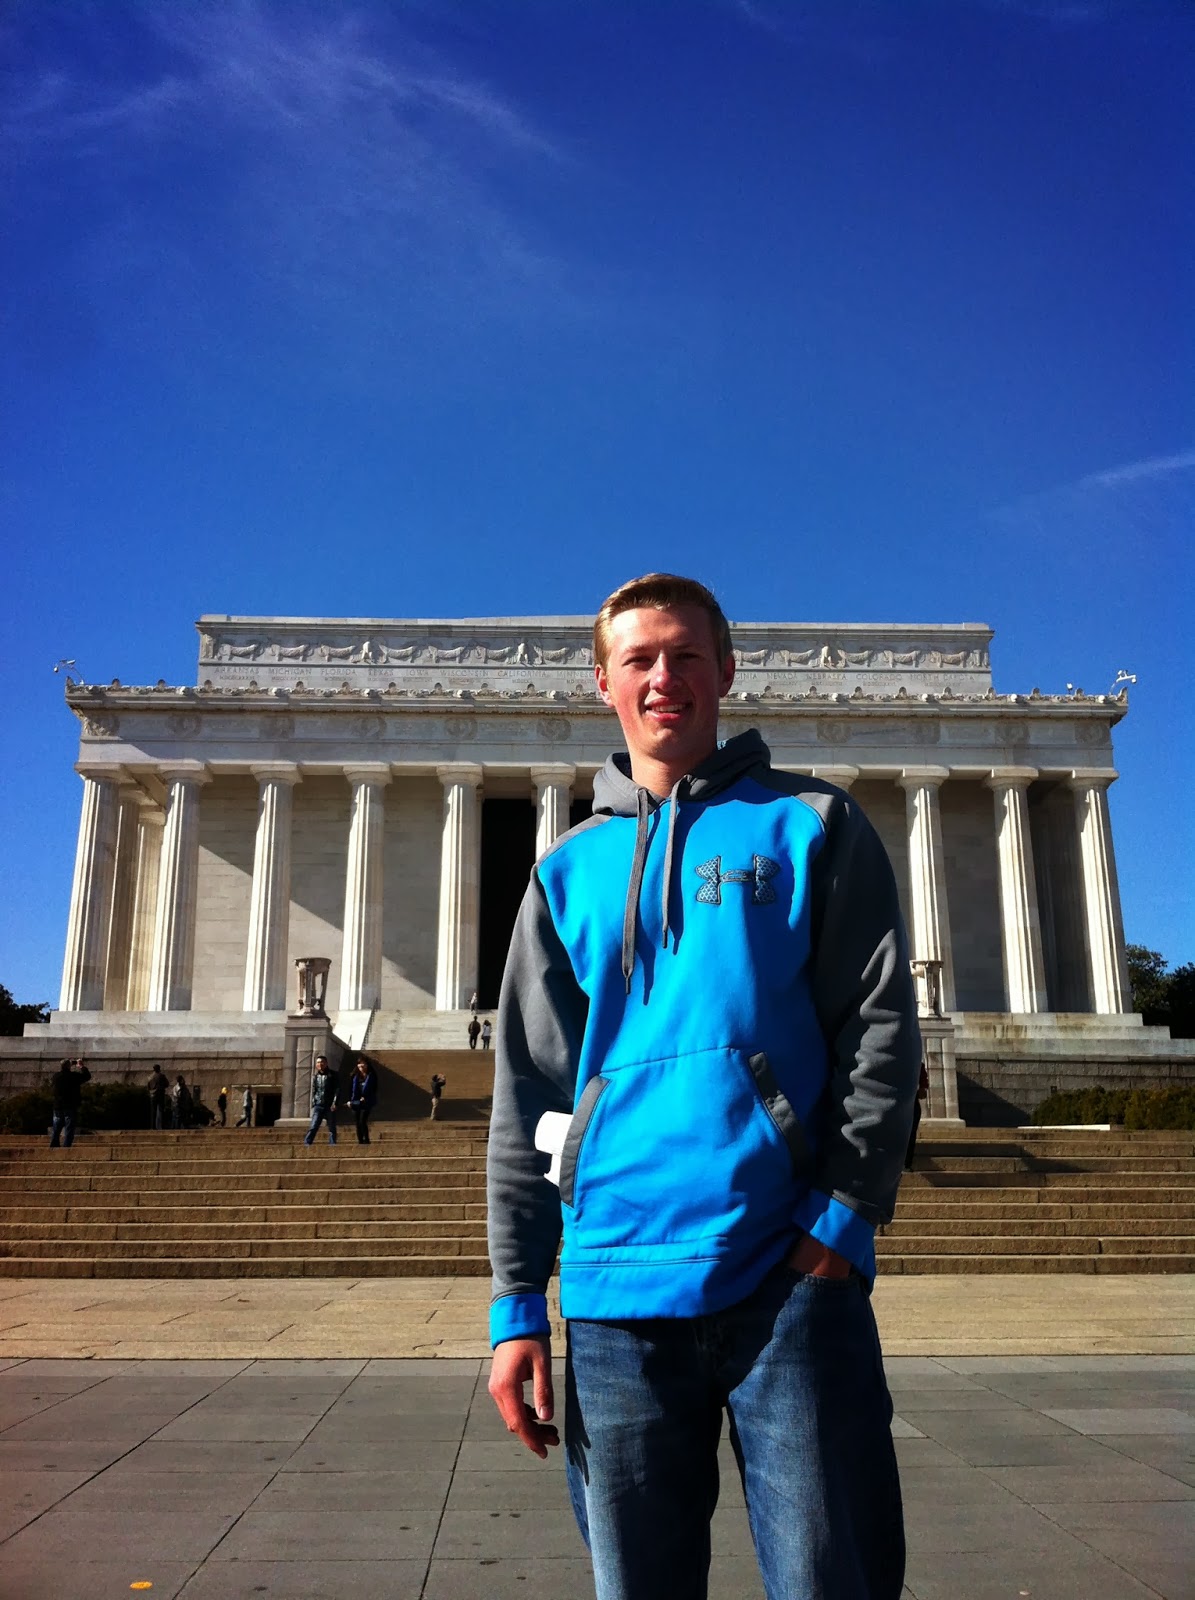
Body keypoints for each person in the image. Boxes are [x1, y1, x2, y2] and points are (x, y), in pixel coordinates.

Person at [486, 573, 921, 1600]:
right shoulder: (566, 868)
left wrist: (839, 1222)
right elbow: (529, 1091)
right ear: (602, 683)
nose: (663, 678)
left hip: (787, 1275)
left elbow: (878, 1028)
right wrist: (516, 1302)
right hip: (614, 1287)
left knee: (832, 1581)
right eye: (638, 659)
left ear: (725, 671)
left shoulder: (811, 823)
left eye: (686, 655)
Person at [49, 1058, 90, 1148]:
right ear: (69, 1066)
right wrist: (81, 1066)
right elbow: (87, 1076)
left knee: (56, 1127)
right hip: (70, 1105)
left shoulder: (56, 1076)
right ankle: (66, 1146)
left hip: (58, 1105)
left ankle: (54, 1144)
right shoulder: (73, 1076)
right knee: (69, 1127)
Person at [304, 1054, 339, 1145]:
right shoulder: (315, 1076)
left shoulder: (333, 1075)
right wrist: (314, 1101)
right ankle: (307, 1143)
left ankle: (332, 1144)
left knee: (331, 1127)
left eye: (322, 1062)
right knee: (314, 1125)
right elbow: (314, 1090)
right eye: (318, 1062)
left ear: (326, 1063)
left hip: (329, 1104)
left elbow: (337, 1090)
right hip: (319, 1104)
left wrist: (335, 1102)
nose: (320, 1064)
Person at [905, 1061, 930, 1170]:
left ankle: (907, 1164)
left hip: (911, 1102)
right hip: (897, 1102)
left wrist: (922, 1088)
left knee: (911, 1133)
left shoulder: (918, 1065)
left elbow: (923, 1092)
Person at [348, 1056, 377, 1144]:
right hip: (355, 1101)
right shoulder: (354, 1076)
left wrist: (366, 1097)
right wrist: (350, 1100)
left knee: (362, 1120)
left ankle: (366, 1139)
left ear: (367, 1065)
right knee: (357, 1122)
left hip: (366, 1102)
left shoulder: (372, 1076)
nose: (362, 1067)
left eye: (363, 1064)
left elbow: (374, 1089)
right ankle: (360, 1140)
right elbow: (350, 1089)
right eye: (360, 1065)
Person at [148, 1064, 168, 1131]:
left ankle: (152, 1126)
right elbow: (167, 1084)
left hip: (153, 1094)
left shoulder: (150, 1077)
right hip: (160, 1094)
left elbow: (148, 1086)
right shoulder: (161, 1076)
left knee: (153, 1111)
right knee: (161, 1110)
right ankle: (161, 1126)